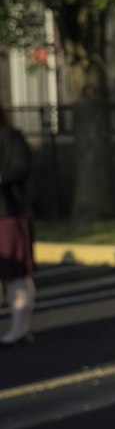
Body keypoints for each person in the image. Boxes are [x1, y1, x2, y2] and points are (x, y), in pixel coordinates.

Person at [0, 100, 36, 346]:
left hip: (8, 213)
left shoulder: (10, 136)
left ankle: (20, 329)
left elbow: (21, 167)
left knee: (16, 275)